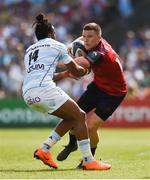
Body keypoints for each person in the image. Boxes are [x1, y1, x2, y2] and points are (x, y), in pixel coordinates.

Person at [22, 13, 111, 171]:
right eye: (54, 33)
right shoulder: (57, 46)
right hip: (45, 91)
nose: (55, 35)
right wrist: (85, 69)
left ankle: (45, 149)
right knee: (80, 115)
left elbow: (42, 75)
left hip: (28, 94)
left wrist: (63, 75)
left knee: (72, 117)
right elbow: (76, 71)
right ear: (51, 33)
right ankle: (88, 161)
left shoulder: (29, 51)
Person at [56, 22, 128, 168]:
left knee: (91, 126)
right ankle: (71, 145)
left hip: (114, 93)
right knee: (73, 115)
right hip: (98, 87)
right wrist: (72, 45)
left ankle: (88, 160)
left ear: (99, 38)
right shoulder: (91, 42)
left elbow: (75, 64)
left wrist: (59, 62)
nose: (86, 39)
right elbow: (79, 41)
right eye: (84, 36)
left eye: (90, 37)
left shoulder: (100, 53)